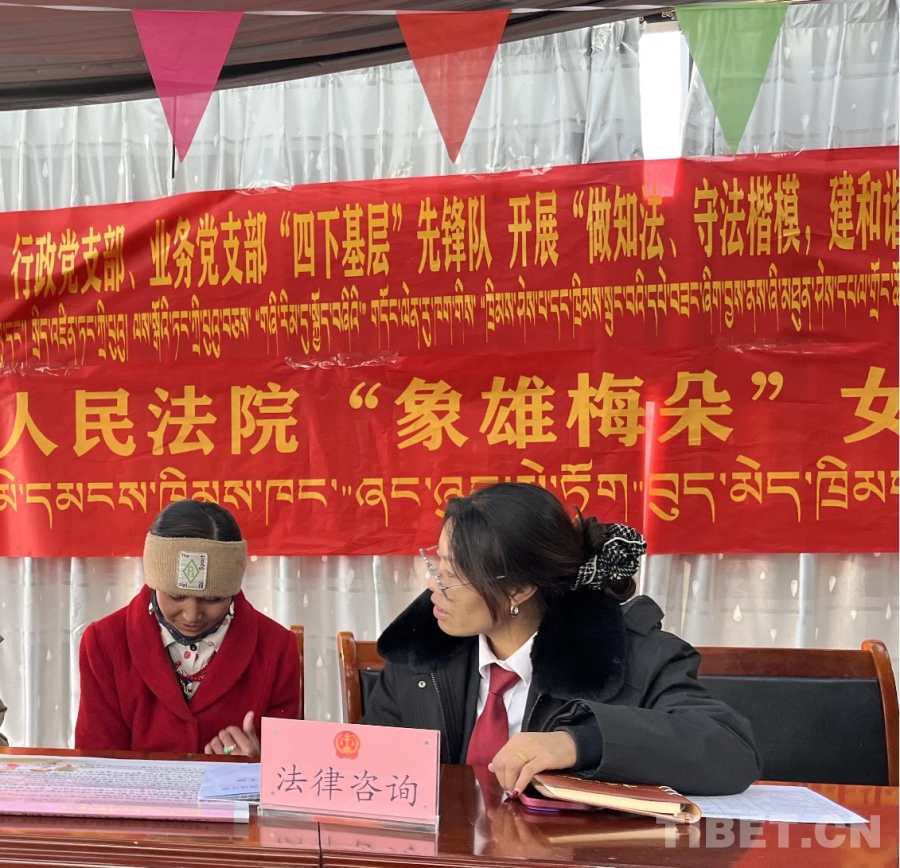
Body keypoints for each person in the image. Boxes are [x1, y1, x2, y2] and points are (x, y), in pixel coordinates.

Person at [362, 483, 760, 797]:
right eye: (437, 565)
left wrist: (579, 743)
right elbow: (370, 769)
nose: (433, 585)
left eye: (452, 575)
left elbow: (730, 750)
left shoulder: (629, 656)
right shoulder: (420, 653)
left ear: (519, 589)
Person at [75, 500, 301, 755]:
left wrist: (256, 766)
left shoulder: (276, 648)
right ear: (154, 582)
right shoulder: (105, 642)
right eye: (176, 596)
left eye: (212, 599)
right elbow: (96, 760)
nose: (192, 615)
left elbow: (287, 764)